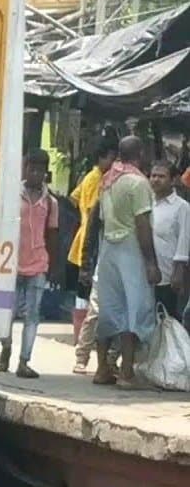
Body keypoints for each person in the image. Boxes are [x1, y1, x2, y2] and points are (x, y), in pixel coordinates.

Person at [81, 136, 158, 388]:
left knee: (109, 310)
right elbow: (142, 224)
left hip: (108, 250)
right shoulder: (138, 183)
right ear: (140, 153)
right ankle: (126, 372)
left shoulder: (107, 181)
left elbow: (98, 219)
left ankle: (102, 368)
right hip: (131, 250)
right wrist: (151, 262)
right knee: (134, 309)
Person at [0, 148, 61, 378]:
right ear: (25, 169)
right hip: (11, 262)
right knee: (9, 313)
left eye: (40, 170)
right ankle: (6, 348)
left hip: (38, 263)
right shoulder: (12, 194)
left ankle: (24, 361)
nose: (35, 174)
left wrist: (53, 266)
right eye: (32, 169)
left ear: (45, 172)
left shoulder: (51, 202)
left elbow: (52, 234)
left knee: (32, 316)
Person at [70, 140, 118, 374]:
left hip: (104, 257)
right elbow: (88, 214)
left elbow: (73, 197)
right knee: (93, 309)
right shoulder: (95, 180)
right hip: (94, 254)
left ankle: (104, 359)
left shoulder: (97, 181)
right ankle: (82, 355)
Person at [149, 160, 190, 321]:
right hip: (146, 274)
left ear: (173, 180)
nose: (156, 180)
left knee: (169, 321)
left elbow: (184, 240)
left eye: (161, 176)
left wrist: (178, 271)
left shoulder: (182, 207)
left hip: (169, 275)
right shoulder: (146, 202)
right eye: (153, 176)